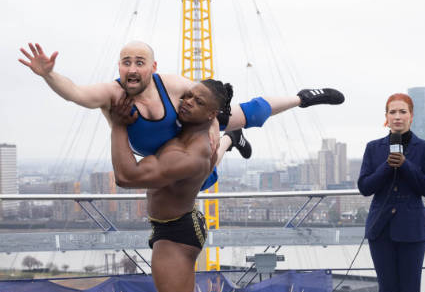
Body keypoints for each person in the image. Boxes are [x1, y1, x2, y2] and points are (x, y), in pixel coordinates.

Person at [18, 41, 345, 189]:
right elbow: (75, 93)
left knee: (247, 113)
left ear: (153, 67)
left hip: (192, 125)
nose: (132, 69)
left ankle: (302, 98)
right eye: (126, 62)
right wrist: (48, 75)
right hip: (166, 152)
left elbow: (210, 96)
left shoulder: (171, 84)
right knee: (200, 179)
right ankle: (233, 142)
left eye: (139, 62)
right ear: (119, 66)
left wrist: (217, 126)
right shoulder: (112, 93)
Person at [109, 78, 233, 292]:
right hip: (175, 226)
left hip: (177, 233)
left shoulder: (190, 153)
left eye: (198, 101)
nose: (187, 100)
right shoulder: (185, 131)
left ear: (211, 114)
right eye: (187, 95)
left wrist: (118, 125)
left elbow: (126, 177)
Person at [357, 93, 425, 292]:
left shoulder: (424, 149)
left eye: (403, 112)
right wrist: (386, 166)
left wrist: (406, 165)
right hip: (381, 229)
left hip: (412, 229)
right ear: (386, 117)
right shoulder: (373, 148)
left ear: (411, 116)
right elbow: (365, 186)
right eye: (393, 112)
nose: (398, 117)